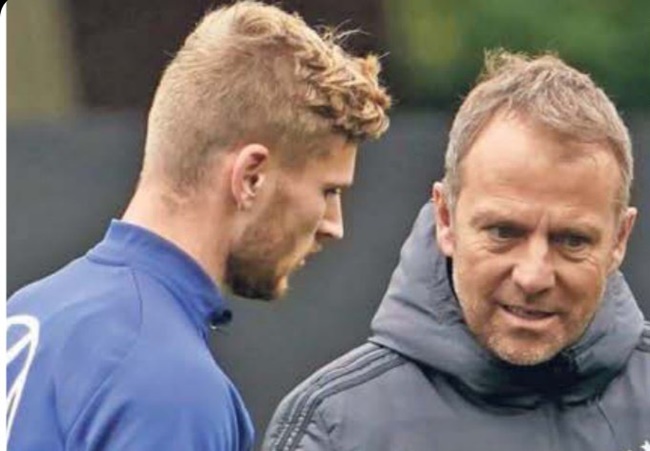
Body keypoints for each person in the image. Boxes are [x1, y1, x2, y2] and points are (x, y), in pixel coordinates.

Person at [6, 2, 390, 450]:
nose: (333, 225)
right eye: (329, 190)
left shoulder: (26, 316)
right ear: (251, 178)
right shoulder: (171, 387)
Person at [263, 50, 650, 451]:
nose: (533, 276)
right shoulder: (337, 429)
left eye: (572, 241)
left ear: (619, 239)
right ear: (445, 218)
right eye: (504, 232)